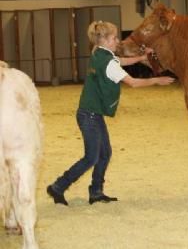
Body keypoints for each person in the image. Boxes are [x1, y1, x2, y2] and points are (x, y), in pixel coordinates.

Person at [47, 21, 175, 206]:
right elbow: (132, 82)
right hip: (90, 115)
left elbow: (120, 61)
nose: (117, 41)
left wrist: (139, 58)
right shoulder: (107, 62)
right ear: (105, 40)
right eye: (114, 38)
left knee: (104, 153)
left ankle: (96, 192)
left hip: (91, 113)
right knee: (91, 157)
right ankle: (58, 186)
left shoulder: (99, 54)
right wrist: (156, 80)